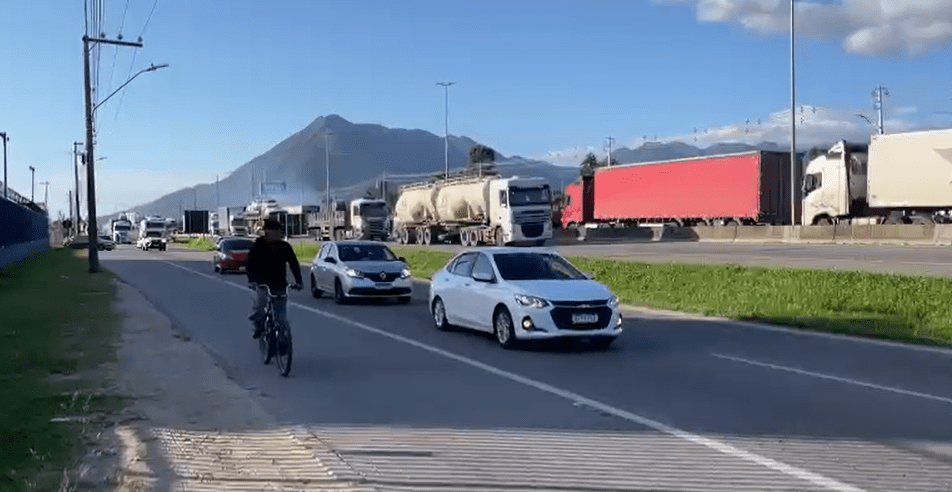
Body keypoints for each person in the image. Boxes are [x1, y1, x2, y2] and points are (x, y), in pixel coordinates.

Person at [247, 219, 303, 339]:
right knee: (261, 302)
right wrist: (253, 280)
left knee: (281, 317)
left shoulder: (284, 247)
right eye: (275, 231)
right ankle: (258, 324)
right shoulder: (258, 245)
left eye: (279, 231)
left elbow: (294, 264)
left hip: (280, 283)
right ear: (267, 231)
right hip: (262, 283)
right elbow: (250, 264)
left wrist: (299, 281)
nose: (278, 234)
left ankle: (284, 342)